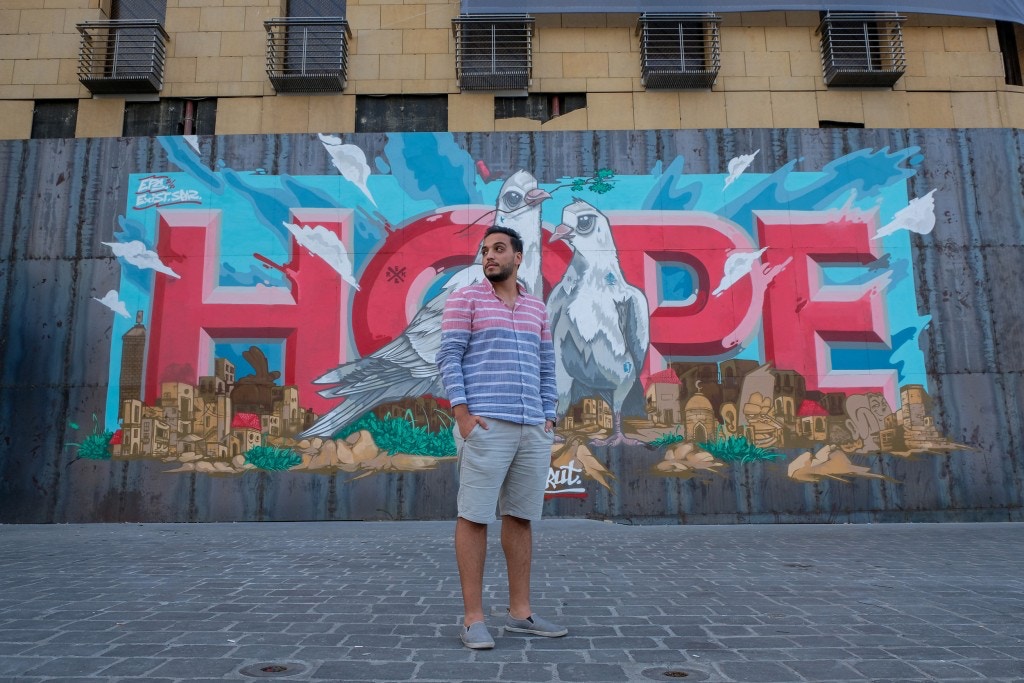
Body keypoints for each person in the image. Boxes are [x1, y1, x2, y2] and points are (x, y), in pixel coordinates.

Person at [437, 225, 568, 649]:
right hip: (486, 424)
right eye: (484, 250)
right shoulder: (465, 299)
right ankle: (474, 618)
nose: (488, 256)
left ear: (518, 257)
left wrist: (548, 416)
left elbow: (547, 365)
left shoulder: (536, 308)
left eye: (498, 249)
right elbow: (448, 356)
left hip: (532, 427)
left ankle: (520, 613)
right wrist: (462, 413)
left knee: (521, 518)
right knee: (475, 516)